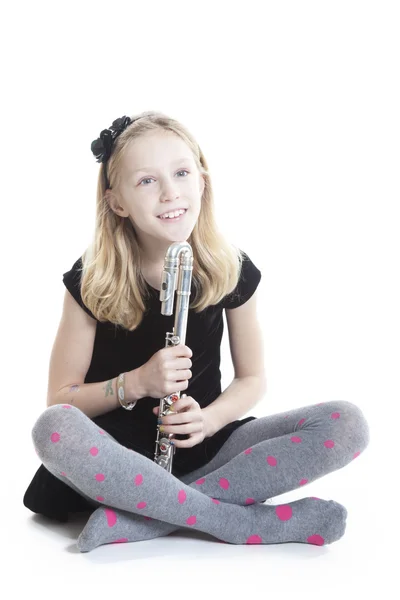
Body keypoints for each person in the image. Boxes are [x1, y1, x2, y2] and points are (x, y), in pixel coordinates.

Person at [23, 111, 370, 551]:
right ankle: (235, 522)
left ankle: (149, 516)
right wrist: (135, 383)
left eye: (182, 173)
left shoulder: (230, 269)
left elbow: (252, 379)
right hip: (113, 461)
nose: (170, 192)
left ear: (202, 181)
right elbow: (61, 398)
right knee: (53, 428)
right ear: (117, 202)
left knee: (346, 424)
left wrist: (209, 420)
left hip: (206, 449)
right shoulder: (91, 280)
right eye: (146, 181)